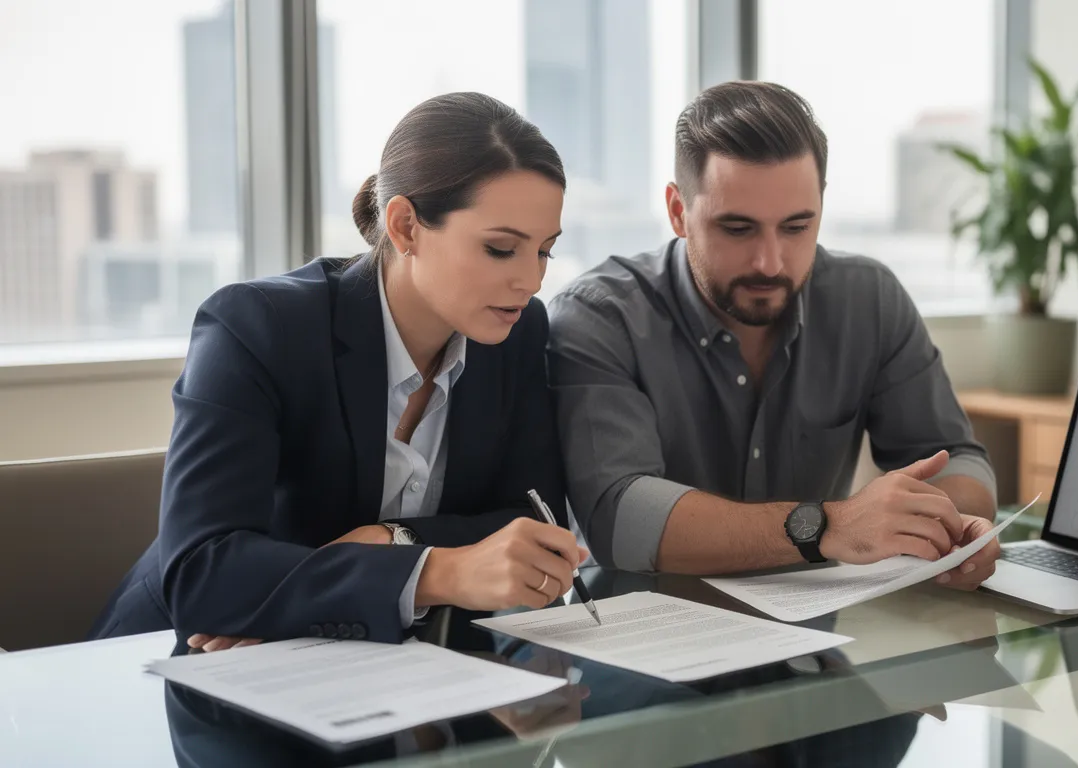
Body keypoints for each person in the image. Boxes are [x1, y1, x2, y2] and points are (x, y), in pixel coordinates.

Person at [89, 93, 585, 649]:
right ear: (405, 226)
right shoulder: (257, 327)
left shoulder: (516, 331)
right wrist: (440, 570)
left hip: (371, 660)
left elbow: (532, 524)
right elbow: (203, 574)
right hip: (170, 659)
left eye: (544, 251)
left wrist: (390, 539)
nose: (530, 281)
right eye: (500, 249)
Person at [548, 81, 999, 586]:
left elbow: (956, 458)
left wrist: (955, 525)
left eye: (796, 227)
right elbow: (619, 517)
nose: (770, 262)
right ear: (678, 212)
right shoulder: (599, 317)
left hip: (810, 627)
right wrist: (830, 526)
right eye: (737, 229)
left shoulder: (869, 300)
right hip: (641, 624)